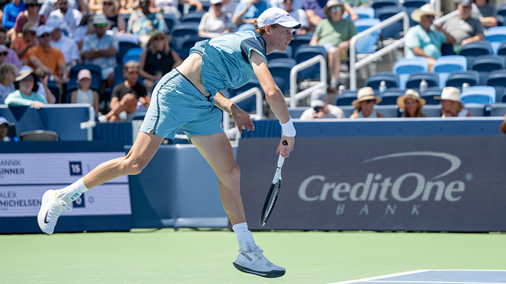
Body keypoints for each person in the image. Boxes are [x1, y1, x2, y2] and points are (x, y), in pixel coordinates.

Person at [37, 7, 298, 278]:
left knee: (230, 174)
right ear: (268, 29)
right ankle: (61, 197)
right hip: (175, 95)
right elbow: (271, 91)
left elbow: (207, 80)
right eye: (286, 29)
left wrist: (230, 107)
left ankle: (247, 250)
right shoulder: (250, 43)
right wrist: (288, 129)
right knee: (135, 163)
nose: (292, 35)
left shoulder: (248, 47)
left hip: (204, 105)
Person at [309, 0, 356, 92]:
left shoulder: (348, 23)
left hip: (340, 51)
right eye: (332, 9)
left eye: (337, 8)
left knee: (333, 51)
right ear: (329, 11)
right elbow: (313, 40)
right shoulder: (323, 23)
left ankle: (334, 81)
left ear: (341, 10)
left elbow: (354, 39)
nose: (335, 11)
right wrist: (317, 47)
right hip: (322, 51)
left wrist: (346, 43)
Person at [405, 4, 455, 71]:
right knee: (433, 64)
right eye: (428, 16)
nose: (431, 19)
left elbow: (452, 41)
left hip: (435, 61)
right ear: (421, 18)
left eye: (433, 17)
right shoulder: (414, 31)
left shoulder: (436, 33)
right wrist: (430, 58)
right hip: (418, 62)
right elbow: (416, 50)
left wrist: (443, 31)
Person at [82, 14, 118, 92]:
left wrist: (96, 51)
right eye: (98, 24)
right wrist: (106, 51)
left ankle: (109, 94)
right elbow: (87, 54)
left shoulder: (112, 38)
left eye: (103, 24)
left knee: (112, 74)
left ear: (106, 25)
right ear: (94, 26)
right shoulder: (88, 38)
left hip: (108, 68)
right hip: (92, 69)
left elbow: (113, 52)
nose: (101, 26)